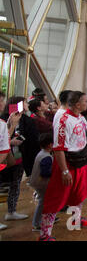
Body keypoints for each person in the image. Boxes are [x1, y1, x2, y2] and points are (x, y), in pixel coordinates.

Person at [38, 91, 87, 241]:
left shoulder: (81, 118)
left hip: (80, 161)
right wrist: (64, 171)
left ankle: (75, 220)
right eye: (85, 101)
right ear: (77, 104)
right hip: (67, 163)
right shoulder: (63, 119)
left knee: (79, 194)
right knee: (57, 197)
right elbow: (59, 148)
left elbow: (85, 138)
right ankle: (44, 235)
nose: (86, 104)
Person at [0, 92, 23, 231]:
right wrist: (12, 126)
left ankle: (12, 210)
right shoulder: (3, 123)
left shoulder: (4, 123)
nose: (2, 104)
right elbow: (3, 147)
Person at [29, 133, 54, 232]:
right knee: (42, 202)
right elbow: (45, 173)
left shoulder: (42, 153)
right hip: (41, 184)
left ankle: (47, 217)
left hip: (38, 183)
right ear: (50, 145)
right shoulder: (46, 157)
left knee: (44, 201)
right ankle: (36, 223)